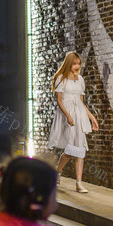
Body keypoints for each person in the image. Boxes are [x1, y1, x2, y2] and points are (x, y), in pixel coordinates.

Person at [46, 51, 100, 193]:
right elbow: (59, 100)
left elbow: (81, 103)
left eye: (79, 64)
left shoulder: (80, 80)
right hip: (67, 116)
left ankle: (79, 183)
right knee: (70, 151)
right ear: (69, 63)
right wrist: (68, 115)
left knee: (80, 149)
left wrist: (91, 117)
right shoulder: (60, 78)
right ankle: (57, 172)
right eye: (74, 63)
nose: (77, 66)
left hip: (79, 116)